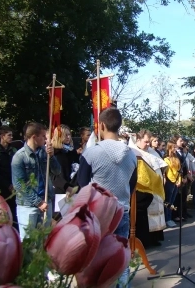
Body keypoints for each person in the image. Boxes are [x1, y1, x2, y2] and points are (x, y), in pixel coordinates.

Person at [77, 108, 137, 288]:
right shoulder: (132, 155)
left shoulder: (91, 153)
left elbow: (82, 184)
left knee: (97, 260)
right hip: (122, 211)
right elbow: (132, 184)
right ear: (119, 126)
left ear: (101, 125)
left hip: (98, 215)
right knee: (119, 256)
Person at [11, 122, 61, 241]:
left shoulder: (44, 152)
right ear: (34, 137)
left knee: (44, 239)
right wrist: (38, 202)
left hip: (45, 200)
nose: (45, 139)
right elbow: (19, 185)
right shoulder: (20, 157)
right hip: (28, 206)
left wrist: (52, 156)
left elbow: (57, 171)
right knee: (28, 241)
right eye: (43, 136)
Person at [0, 125, 19, 231]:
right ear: (2, 136)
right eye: (9, 135)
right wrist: (7, 185)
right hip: (1, 188)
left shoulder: (14, 150)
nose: (12, 137)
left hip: (14, 187)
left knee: (14, 214)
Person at [163, 141, 182, 227]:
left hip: (176, 181)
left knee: (172, 201)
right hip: (170, 182)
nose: (175, 149)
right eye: (173, 147)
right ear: (170, 148)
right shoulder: (166, 159)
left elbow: (179, 170)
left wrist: (179, 180)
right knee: (168, 201)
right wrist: (174, 180)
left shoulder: (176, 158)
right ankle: (167, 219)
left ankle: (170, 217)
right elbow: (168, 172)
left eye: (176, 147)